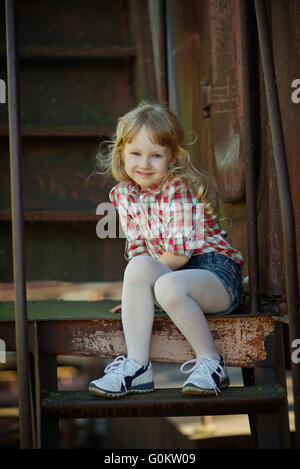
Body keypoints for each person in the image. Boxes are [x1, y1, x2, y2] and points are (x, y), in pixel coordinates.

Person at [88, 102, 244, 398]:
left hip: (215, 275)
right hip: (171, 277)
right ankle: (137, 367)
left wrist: (150, 287)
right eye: (135, 154)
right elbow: (138, 252)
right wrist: (136, 295)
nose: (144, 164)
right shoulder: (123, 194)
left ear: (172, 158)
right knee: (137, 267)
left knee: (168, 286)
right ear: (121, 153)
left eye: (155, 155)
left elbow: (179, 256)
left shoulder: (178, 189)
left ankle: (212, 363)